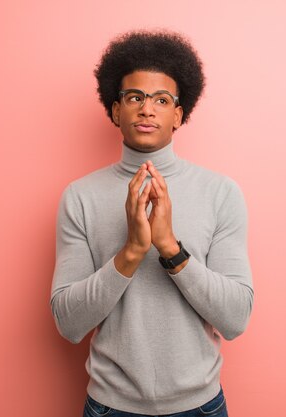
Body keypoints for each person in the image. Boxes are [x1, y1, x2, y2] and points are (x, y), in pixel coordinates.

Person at [50, 29, 254, 417]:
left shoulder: (221, 192)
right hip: (111, 406)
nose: (147, 109)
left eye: (162, 100)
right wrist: (131, 252)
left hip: (201, 406)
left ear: (178, 115)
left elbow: (236, 318)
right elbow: (68, 323)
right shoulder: (79, 196)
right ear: (115, 110)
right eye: (135, 97)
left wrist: (171, 250)